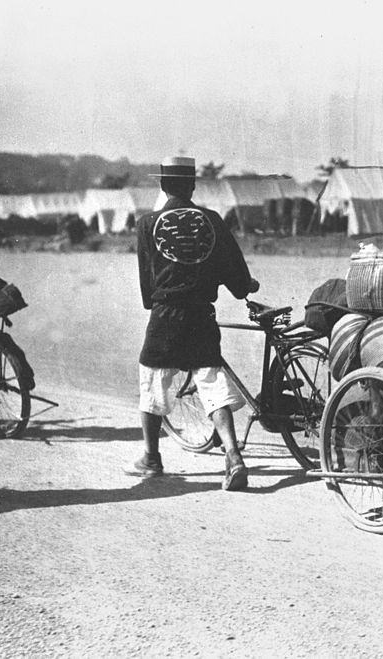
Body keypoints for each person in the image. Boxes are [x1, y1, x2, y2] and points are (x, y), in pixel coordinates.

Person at [128, 157, 260, 491]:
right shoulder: (212, 220)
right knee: (212, 381)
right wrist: (246, 287)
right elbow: (236, 273)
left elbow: (148, 281)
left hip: (167, 315)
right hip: (202, 315)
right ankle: (233, 456)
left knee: (152, 380)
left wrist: (154, 304)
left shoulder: (147, 224)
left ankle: (152, 457)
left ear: (162, 185)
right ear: (192, 186)